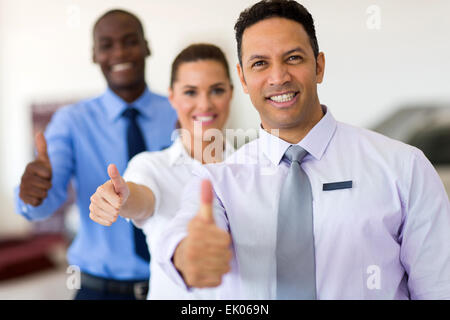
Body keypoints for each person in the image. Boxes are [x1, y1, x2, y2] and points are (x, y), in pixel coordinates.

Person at [155, 0, 450, 300]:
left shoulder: (403, 167)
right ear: (243, 79)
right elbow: (182, 233)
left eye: (293, 58)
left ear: (318, 66)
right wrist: (187, 253)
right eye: (260, 63)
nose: (279, 77)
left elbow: (438, 288)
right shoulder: (217, 182)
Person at [14, 9, 177, 300]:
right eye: (107, 45)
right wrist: (32, 194)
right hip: (99, 290)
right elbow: (44, 201)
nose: (120, 53)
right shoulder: (71, 121)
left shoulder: (180, 112)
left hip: (173, 287)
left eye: (130, 41)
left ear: (147, 46)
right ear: (94, 55)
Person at [88, 43, 234, 299]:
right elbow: (140, 199)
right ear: (172, 97)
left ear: (232, 93)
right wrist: (121, 197)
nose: (204, 104)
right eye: (190, 92)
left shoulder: (254, 166)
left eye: (217, 90)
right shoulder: (151, 166)